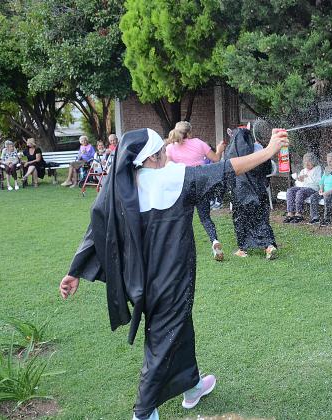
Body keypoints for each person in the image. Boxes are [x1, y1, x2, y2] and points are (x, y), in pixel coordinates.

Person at [58, 127, 289, 420]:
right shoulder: (172, 179)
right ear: (153, 157)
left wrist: (74, 271)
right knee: (162, 341)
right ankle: (142, 414)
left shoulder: (121, 186)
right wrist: (269, 151)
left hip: (141, 280)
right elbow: (226, 169)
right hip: (171, 281)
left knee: (180, 327)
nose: (168, 151)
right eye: (162, 149)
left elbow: (97, 230)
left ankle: (191, 387)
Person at [165, 121, 227, 261]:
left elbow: (167, 166)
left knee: (183, 219)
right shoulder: (199, 143)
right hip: (201, 183)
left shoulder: (170, 148)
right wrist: (220, 149)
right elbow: (216, 159)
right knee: (205, 218)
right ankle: (214, 241)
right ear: (190, 132)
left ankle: (179, 251)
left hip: (183, 183)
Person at [225, 124, 279, 260]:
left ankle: (242, 249)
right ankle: (268, 246)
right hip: (259, 191)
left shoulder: (232, 152)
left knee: (241, 220)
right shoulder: (258, 148)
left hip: (241, 193)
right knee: (261, 220)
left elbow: (227, 172)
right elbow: (267, 168)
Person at [283, 152, 322, 224]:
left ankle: (299, 214)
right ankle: (290, 213)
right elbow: (298, 184)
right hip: (302, 187)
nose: (307, 164)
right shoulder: (303, 170)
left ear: (313, 162)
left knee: (300, 192)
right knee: (290, 191)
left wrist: (306, 178)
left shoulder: (318, 169)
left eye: (309, 162)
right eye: (305, 162)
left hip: (312, 188)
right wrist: (299, 179)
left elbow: (319, 181)